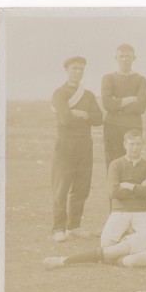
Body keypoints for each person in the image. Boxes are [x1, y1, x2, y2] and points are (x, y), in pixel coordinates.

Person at [51, 56, 103, 242]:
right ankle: (58, 228)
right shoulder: (59, 93)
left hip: (85, 144)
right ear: (67, 70)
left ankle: (74, 227)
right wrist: (76, 115)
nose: (78, 72)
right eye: (75, 68)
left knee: (81, 187)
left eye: (81, 68)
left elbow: (99, 119)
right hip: (66, 144)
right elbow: (65, 118)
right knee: (61, 187)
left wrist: (82, 114)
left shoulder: (87, 94)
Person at [100, 129, 146, 248]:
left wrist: (129, 186)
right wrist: (140, 189)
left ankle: (129, 237)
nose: (135, 148)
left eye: (138, 144)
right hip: (120, 210)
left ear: (142, 145)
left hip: (141, 210)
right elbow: (113, 192)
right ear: (125, 144)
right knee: (106, 245)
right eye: (131, 144)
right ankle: (128, 236)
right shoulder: (116, 164)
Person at [101, 44, 146, 169]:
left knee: (132, 161)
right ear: (115, 58)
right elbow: (107, 104)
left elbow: (141, 106)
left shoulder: (141, 80)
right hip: (112, 125)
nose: (124, 59)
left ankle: (131, 188)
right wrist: (130, 99)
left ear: (134, 58)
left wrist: (117, 103)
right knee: (113, 163)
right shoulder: (108, 78)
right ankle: (114, 189)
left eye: (127, 56)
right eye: (121, 56)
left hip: (133, 125)